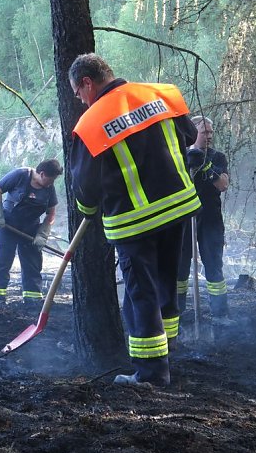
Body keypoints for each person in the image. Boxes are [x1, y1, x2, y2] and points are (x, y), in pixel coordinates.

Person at [68, 53, 199, 387]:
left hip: (135, 221)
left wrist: (87, 209)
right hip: (177, 207)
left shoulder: (91, 123)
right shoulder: (161, 94)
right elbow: (187, 134)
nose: (79, 100)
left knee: (141, 294)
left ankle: (151, 374)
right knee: (167, 285)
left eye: (78, 93)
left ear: (87, 82)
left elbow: (85, 184)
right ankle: (168, 350)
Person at [176, 116, 230, 319]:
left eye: (211, 132)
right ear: (193, 133)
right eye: (204, 132)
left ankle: (220, 315)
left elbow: (223, 184)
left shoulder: (218, 157)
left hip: (210, 219)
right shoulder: (180, 155)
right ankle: (177, 314)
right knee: (179, 269)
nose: (209, 136)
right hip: (183, 218)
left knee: (214, 266)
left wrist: (206, 167)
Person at [0, 159, 63, 304]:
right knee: (2, 261)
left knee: (32, 264)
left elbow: (51, 213)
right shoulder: (20, 175)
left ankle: (32, 299)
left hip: (30, 229)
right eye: (50, 179)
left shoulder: (49, 188)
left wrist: (42, 233)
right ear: (42, 174)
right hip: (7, 226)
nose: (51, 183)